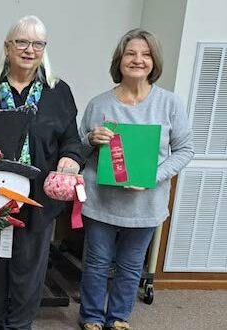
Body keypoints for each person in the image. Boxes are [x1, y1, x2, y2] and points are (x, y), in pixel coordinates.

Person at [0, 15, 83, 330]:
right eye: (22, 42)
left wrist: (70, 161)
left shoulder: (59, 91)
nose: (30, 49)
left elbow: (71, 141)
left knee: (28, 265)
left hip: (37, 195)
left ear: (44, 49)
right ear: (7, 46)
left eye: (38, 43)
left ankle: (19, 324)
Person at [77, 29, 193, 330]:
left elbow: (185, 150)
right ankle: (91, 316)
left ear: (154, 61)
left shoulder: (170, 104)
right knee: (96, 262)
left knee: (131, 266)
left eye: (145, 54)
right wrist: (91, 138)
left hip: (145, 204)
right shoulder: (99, 103)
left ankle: (118, 318)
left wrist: (154, 176)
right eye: (130, 53)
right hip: (101, 199)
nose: (137, 60)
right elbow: (78, 145)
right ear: (120, 60)